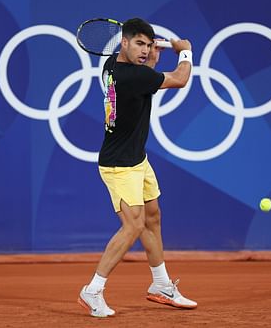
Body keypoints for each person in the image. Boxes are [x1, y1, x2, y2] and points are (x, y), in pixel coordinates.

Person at [77, 17, 197, 318]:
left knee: (152, 217)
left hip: (137, 160)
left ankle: (161, 285)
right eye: (139, 44)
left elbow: (145, 76)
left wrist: (151, 60)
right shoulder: (133, 77)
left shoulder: (112, 68)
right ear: (124, 42)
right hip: (119, 166)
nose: (145, 50)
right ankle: (93, 289)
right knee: (133, 226)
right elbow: (180, 79)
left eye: (148, 44)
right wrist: (186, 52)